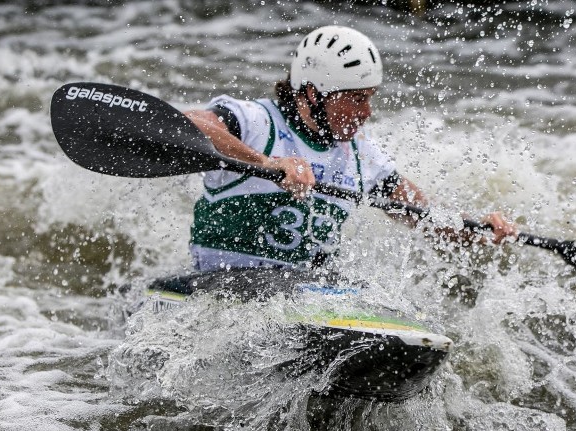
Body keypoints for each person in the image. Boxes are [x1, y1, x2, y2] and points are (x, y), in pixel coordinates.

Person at [185, 25, 517, 273]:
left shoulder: (361, 155)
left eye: (369, 98)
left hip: (303, 293)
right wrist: (265, 162)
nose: (367, 113)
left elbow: (421, 214)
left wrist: (477, 229)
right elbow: (193, 122)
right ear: (314, 94)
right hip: (225, 282)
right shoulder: (258, 122)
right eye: (357, 99)